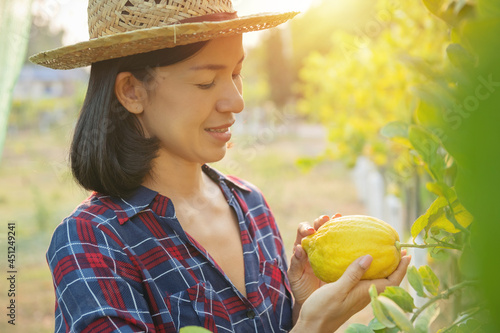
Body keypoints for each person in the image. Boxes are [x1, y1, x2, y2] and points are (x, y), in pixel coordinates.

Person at [30, 0, 411, 332]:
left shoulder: (250, 204)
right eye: (207, 82)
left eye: (235, 73)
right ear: (131, 91)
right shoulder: (91, 240)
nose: (236, 100)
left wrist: (302, 309)